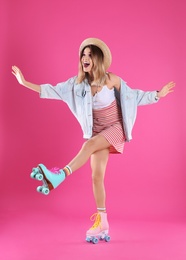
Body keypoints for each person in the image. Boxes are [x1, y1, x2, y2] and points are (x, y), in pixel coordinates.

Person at [12, 38, 175, 243]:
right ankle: (103, 221)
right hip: (98, 131)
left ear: (98, 59)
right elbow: (52, 90)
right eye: (83, 55)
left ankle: (60, 175)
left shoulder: (112, 79)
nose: (85, 58)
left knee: (87, 145)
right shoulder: (77, 84)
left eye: (89, 54)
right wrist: (24, 83)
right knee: (96, 177)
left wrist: (157, 95)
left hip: (116, 128)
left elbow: (133, 96)